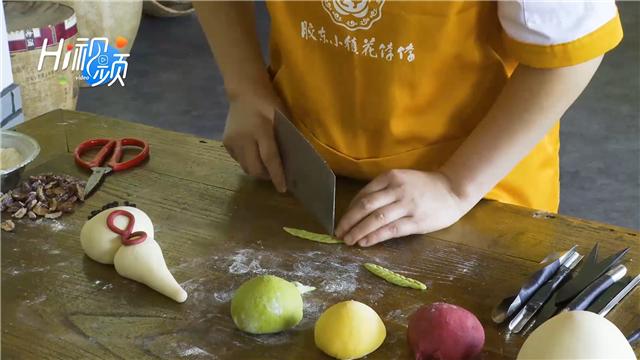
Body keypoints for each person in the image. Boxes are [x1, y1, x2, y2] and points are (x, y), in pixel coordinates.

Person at [194, 1, 623, 247]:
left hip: (476, 191)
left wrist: (455, 185)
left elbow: (570, 54)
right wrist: (245, 88)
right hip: (304, 168)